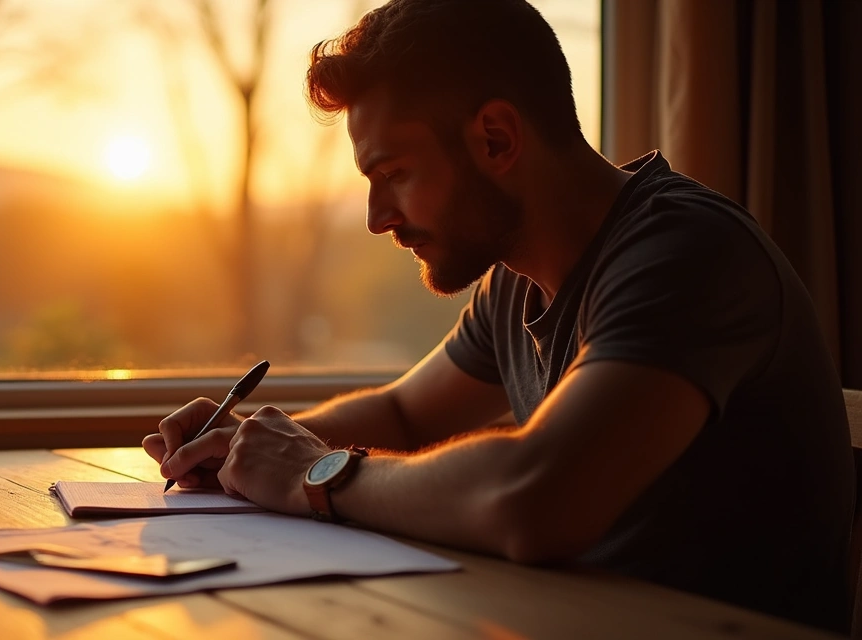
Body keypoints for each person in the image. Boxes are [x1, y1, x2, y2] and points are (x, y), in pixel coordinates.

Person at [142, 0, 855, 632]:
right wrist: (244, 448)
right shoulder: (517, 279)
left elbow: (536, 498)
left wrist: (313, 476)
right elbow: (404, 416)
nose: (375, 217)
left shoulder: (686, 255)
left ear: (496, 139)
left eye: (394, 174)